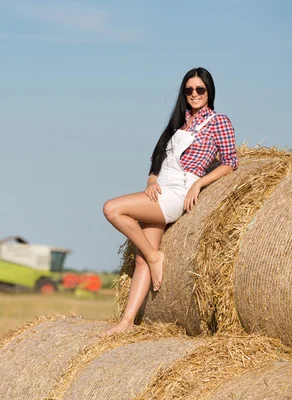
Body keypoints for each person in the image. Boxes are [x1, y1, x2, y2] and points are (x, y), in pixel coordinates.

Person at [101, 67, 238, 336]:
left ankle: (156, 256)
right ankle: (127, 322)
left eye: (200, 89)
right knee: (140, 260)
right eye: (189, 90)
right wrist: (152, 179)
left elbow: (231, 162)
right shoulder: (180, 123)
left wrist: (200, 182)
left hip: (178, 191)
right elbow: (159, 161)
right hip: (159, 188)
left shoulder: (218, 121)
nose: (194, 94)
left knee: (112, 209)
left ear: (209, 91)